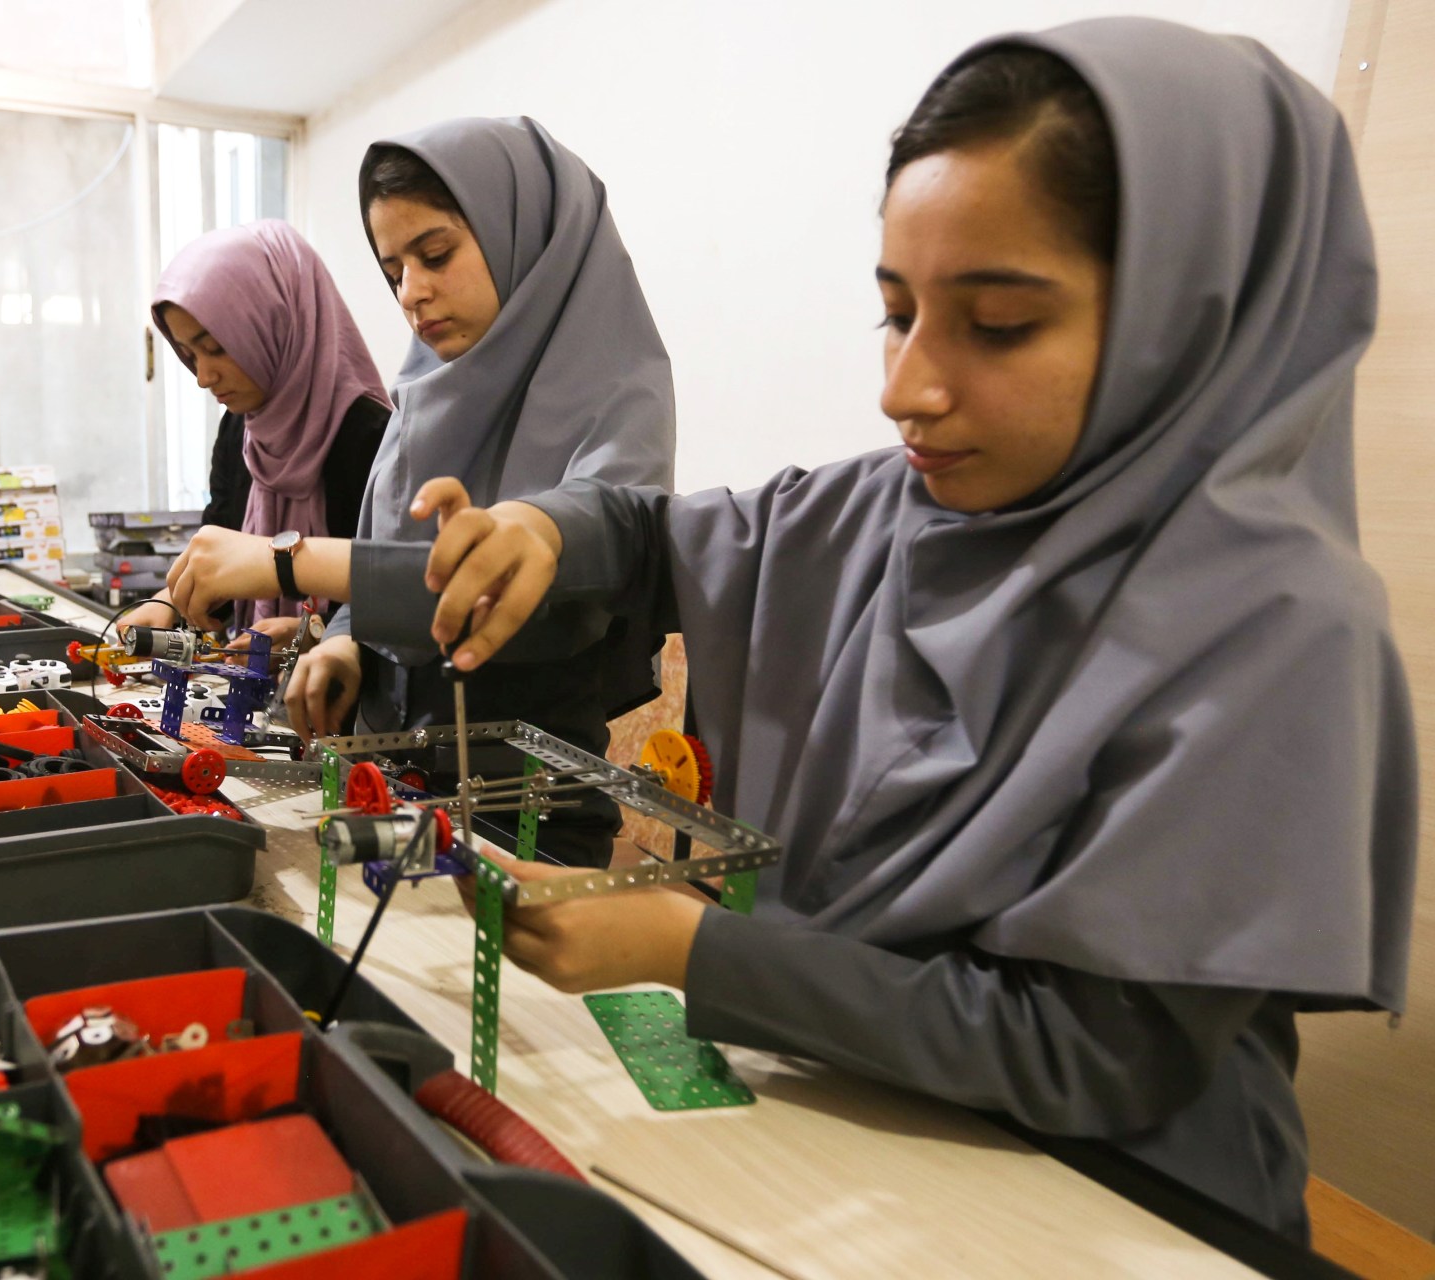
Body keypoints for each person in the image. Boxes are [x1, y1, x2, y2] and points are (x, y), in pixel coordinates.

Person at [168, 21, 1417, 1241]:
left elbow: (1096, 1051)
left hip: (1124, 1208)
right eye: (896, 313)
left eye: (998, 323)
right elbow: (658, 537)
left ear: (1190, 310)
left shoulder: (1279, 629)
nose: (905, 389)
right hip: (866, 1115)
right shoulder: (897, 507)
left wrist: (692, 948)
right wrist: (546, 527)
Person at [176, 117, 676, 868]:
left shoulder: (618, 405)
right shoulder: (425, 394)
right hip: (387, 783)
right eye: (394, 272)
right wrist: (347, 639)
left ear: (524, 238)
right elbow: (391, 552)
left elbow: (519, 581)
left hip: (523, 817)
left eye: (435, 255)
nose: (411, 293)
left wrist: (286, 562)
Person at [121, 219, 389, 646]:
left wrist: (315, 633)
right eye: (190, 355)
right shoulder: (240, 428)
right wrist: (169, 601)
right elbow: (218, 554)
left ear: (276, 323)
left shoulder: (369, 436)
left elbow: (394, 593)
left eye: (216, 348)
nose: (203, 377)